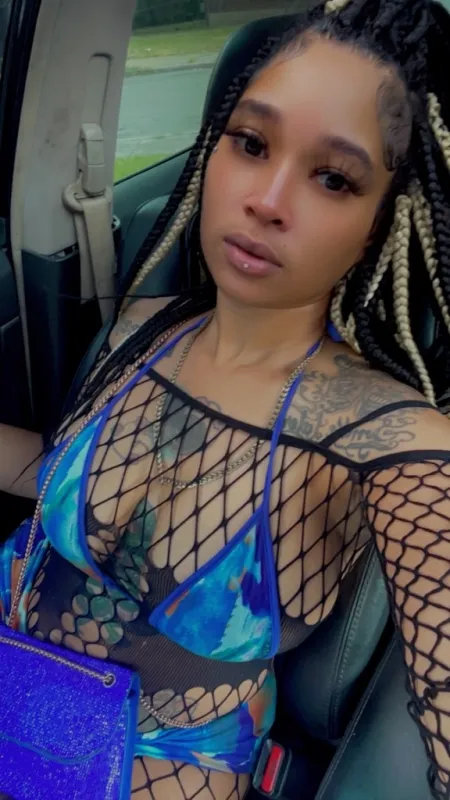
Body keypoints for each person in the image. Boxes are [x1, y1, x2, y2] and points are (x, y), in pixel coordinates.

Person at [1, 0, 450, 796]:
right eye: (250, 142)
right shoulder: (146, 328)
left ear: (380, 222)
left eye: (333, 178)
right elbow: (71, 476)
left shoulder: (392, 439)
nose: (267, 198)